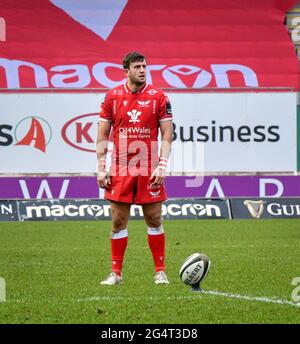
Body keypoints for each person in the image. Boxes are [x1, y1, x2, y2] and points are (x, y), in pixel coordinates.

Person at [96, 51, 173, 285]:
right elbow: (102, 134)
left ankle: (160, 271)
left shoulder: (159, 97)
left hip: (148, 166)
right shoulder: (112, 97)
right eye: (138, 66)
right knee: (118, 220)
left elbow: (167, 134)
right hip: (120, 167)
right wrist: (101, 166)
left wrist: (162, 164)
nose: (142, 70)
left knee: (154, 218)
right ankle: (116, 274)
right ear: (126, 70)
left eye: (145, 66)